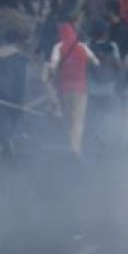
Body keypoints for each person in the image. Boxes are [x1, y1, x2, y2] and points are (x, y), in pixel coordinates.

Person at [45, 21, 99, 157]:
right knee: (78, 119)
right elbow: (96, 62)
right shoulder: (82, 46)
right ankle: (75, 148)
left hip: (65, 87)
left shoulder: (59, 46)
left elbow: (53, 66)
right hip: (81, 88)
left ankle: (67, 144)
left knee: (67, 116)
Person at [0, 29, 30, 159]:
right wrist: (22, 101)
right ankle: (7, 145)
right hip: (11, 97)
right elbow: (22, 81)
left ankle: (5, 144)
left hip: (4, 96)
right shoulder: (20, 58)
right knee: (11, 121)